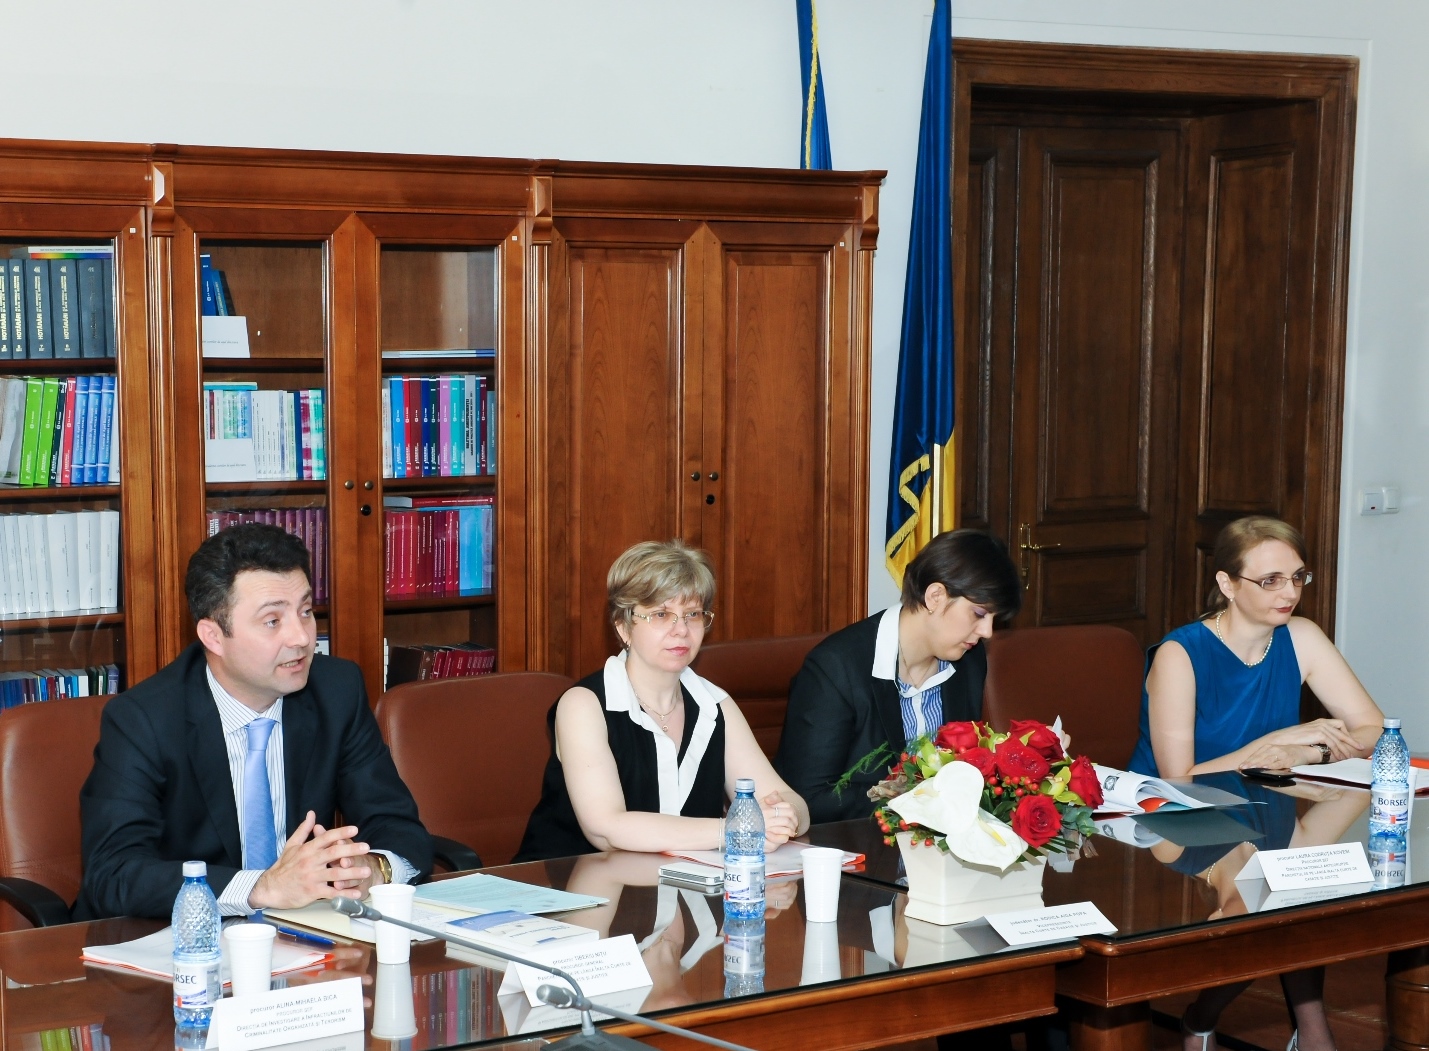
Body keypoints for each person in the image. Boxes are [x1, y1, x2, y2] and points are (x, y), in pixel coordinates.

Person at [76, 523, 432, 921]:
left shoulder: (336, 691)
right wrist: (262, 887)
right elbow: (113, 874)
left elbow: (398, 826)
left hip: (305, 931)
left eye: (306, 612)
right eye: (272, 621)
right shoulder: (143, 720)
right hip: (180, 937)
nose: (301, 638)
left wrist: (373, 871)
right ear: (213, 636)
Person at [1128, 515, 1383, 1051]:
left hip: (1263, 796)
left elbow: (1373, 728)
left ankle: (1297, 1029)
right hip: (1173, 813)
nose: (1289, 593)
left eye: (1297, 577)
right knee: (1269, 893)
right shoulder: (1181, 653)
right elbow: (1177, 780)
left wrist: (1305, 751)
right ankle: (1206, 1019)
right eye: (1270, 581)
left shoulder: (1301, 636)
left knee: (1302, 885)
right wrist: (1271, 745)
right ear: (1226, 583)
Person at [514, 540, 809, 861]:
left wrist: (784, 816)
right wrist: (733, 829)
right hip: (568, 882)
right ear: (623, 627)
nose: (681, 630)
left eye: (692, 614)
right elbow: (606, 829)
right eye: (660, 614)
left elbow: (791, 801)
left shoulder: (715, 705)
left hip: (680, 883)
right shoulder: (584, 705)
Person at [774, 529, 1022, 824]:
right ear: (935, 596)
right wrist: (916, 799)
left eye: (994, 619)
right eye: (979, 614)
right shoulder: (834, 669)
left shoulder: (969, 660)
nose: (987, 632)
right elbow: (809, 798)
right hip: (854, 843)